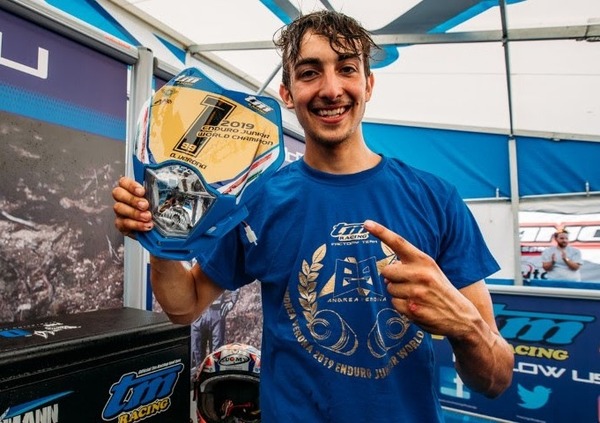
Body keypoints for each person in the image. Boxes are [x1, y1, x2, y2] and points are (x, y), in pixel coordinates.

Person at [113, 10, 513, 422]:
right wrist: (158, 232)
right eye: (309, 73)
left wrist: (466, 327)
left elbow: (496, 379)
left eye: (347, 69)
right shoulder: (258, 197)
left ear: (368, 84)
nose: (331, 89)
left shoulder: (435, 198)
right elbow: (185, 306)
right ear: (286, 93)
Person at [191, 289, 240, 369]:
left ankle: (214, 374)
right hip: (197, 313)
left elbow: (235, 283)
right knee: (195, 354)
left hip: (217, 312)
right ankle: (198, 374)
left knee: (217, 354)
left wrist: (232, 301)